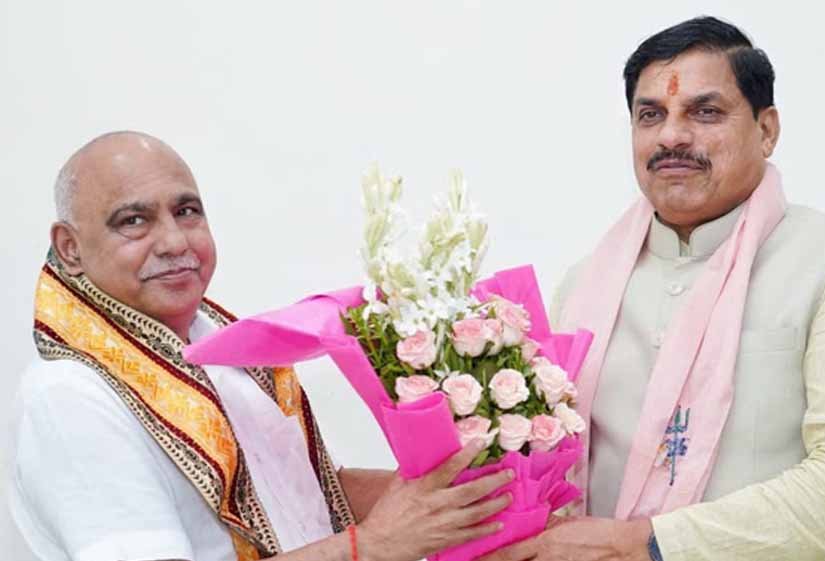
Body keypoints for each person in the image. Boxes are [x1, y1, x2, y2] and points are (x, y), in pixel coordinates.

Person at [483, 16, 825, 561]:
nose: (671, 136)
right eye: (651, 115)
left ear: (767, 130)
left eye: (705, 111)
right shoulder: (583, 286)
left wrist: (651, 546)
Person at [9, 131, 513, 561]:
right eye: (133, 221)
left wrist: (492, 499)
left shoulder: (225, 348)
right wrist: (373, 545)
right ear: (70, 248)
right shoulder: (70, 396)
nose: (175, 242)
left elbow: (312, 498)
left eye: (187, 211)